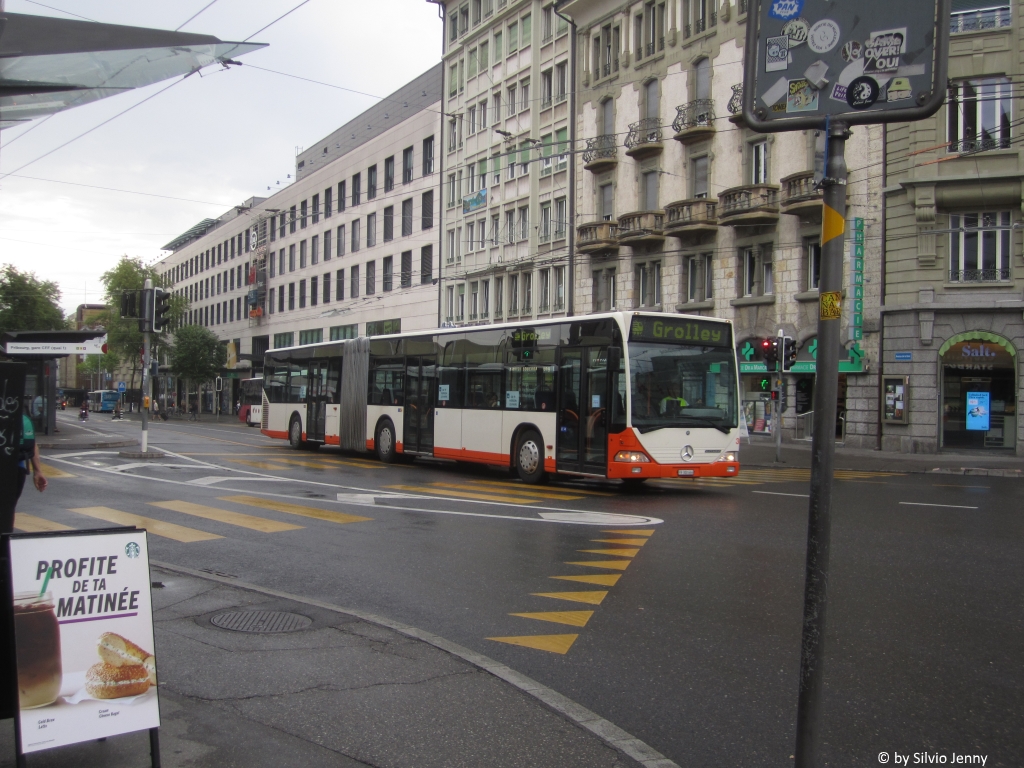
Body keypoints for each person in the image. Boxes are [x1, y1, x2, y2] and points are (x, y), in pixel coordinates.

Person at [1, 402, 48, 534]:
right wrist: (38, 471)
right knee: (8, 509)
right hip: (17, 468)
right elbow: (32, 443)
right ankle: (5, 544)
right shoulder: (15, 411)